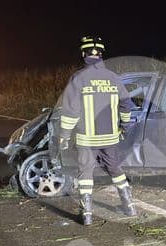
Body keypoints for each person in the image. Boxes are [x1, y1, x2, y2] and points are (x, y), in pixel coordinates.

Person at [58, 36, 137, 226]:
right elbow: (126, 106)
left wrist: (64, 137)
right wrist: (123, 128)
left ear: (84, 54)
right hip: (110, 138)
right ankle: (129, 206)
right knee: (115, 169)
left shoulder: (78, 78)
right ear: (101, 55)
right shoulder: (113, 77)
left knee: (85, 174)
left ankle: (87, 215)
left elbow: (70, 112)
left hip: (87, 140)